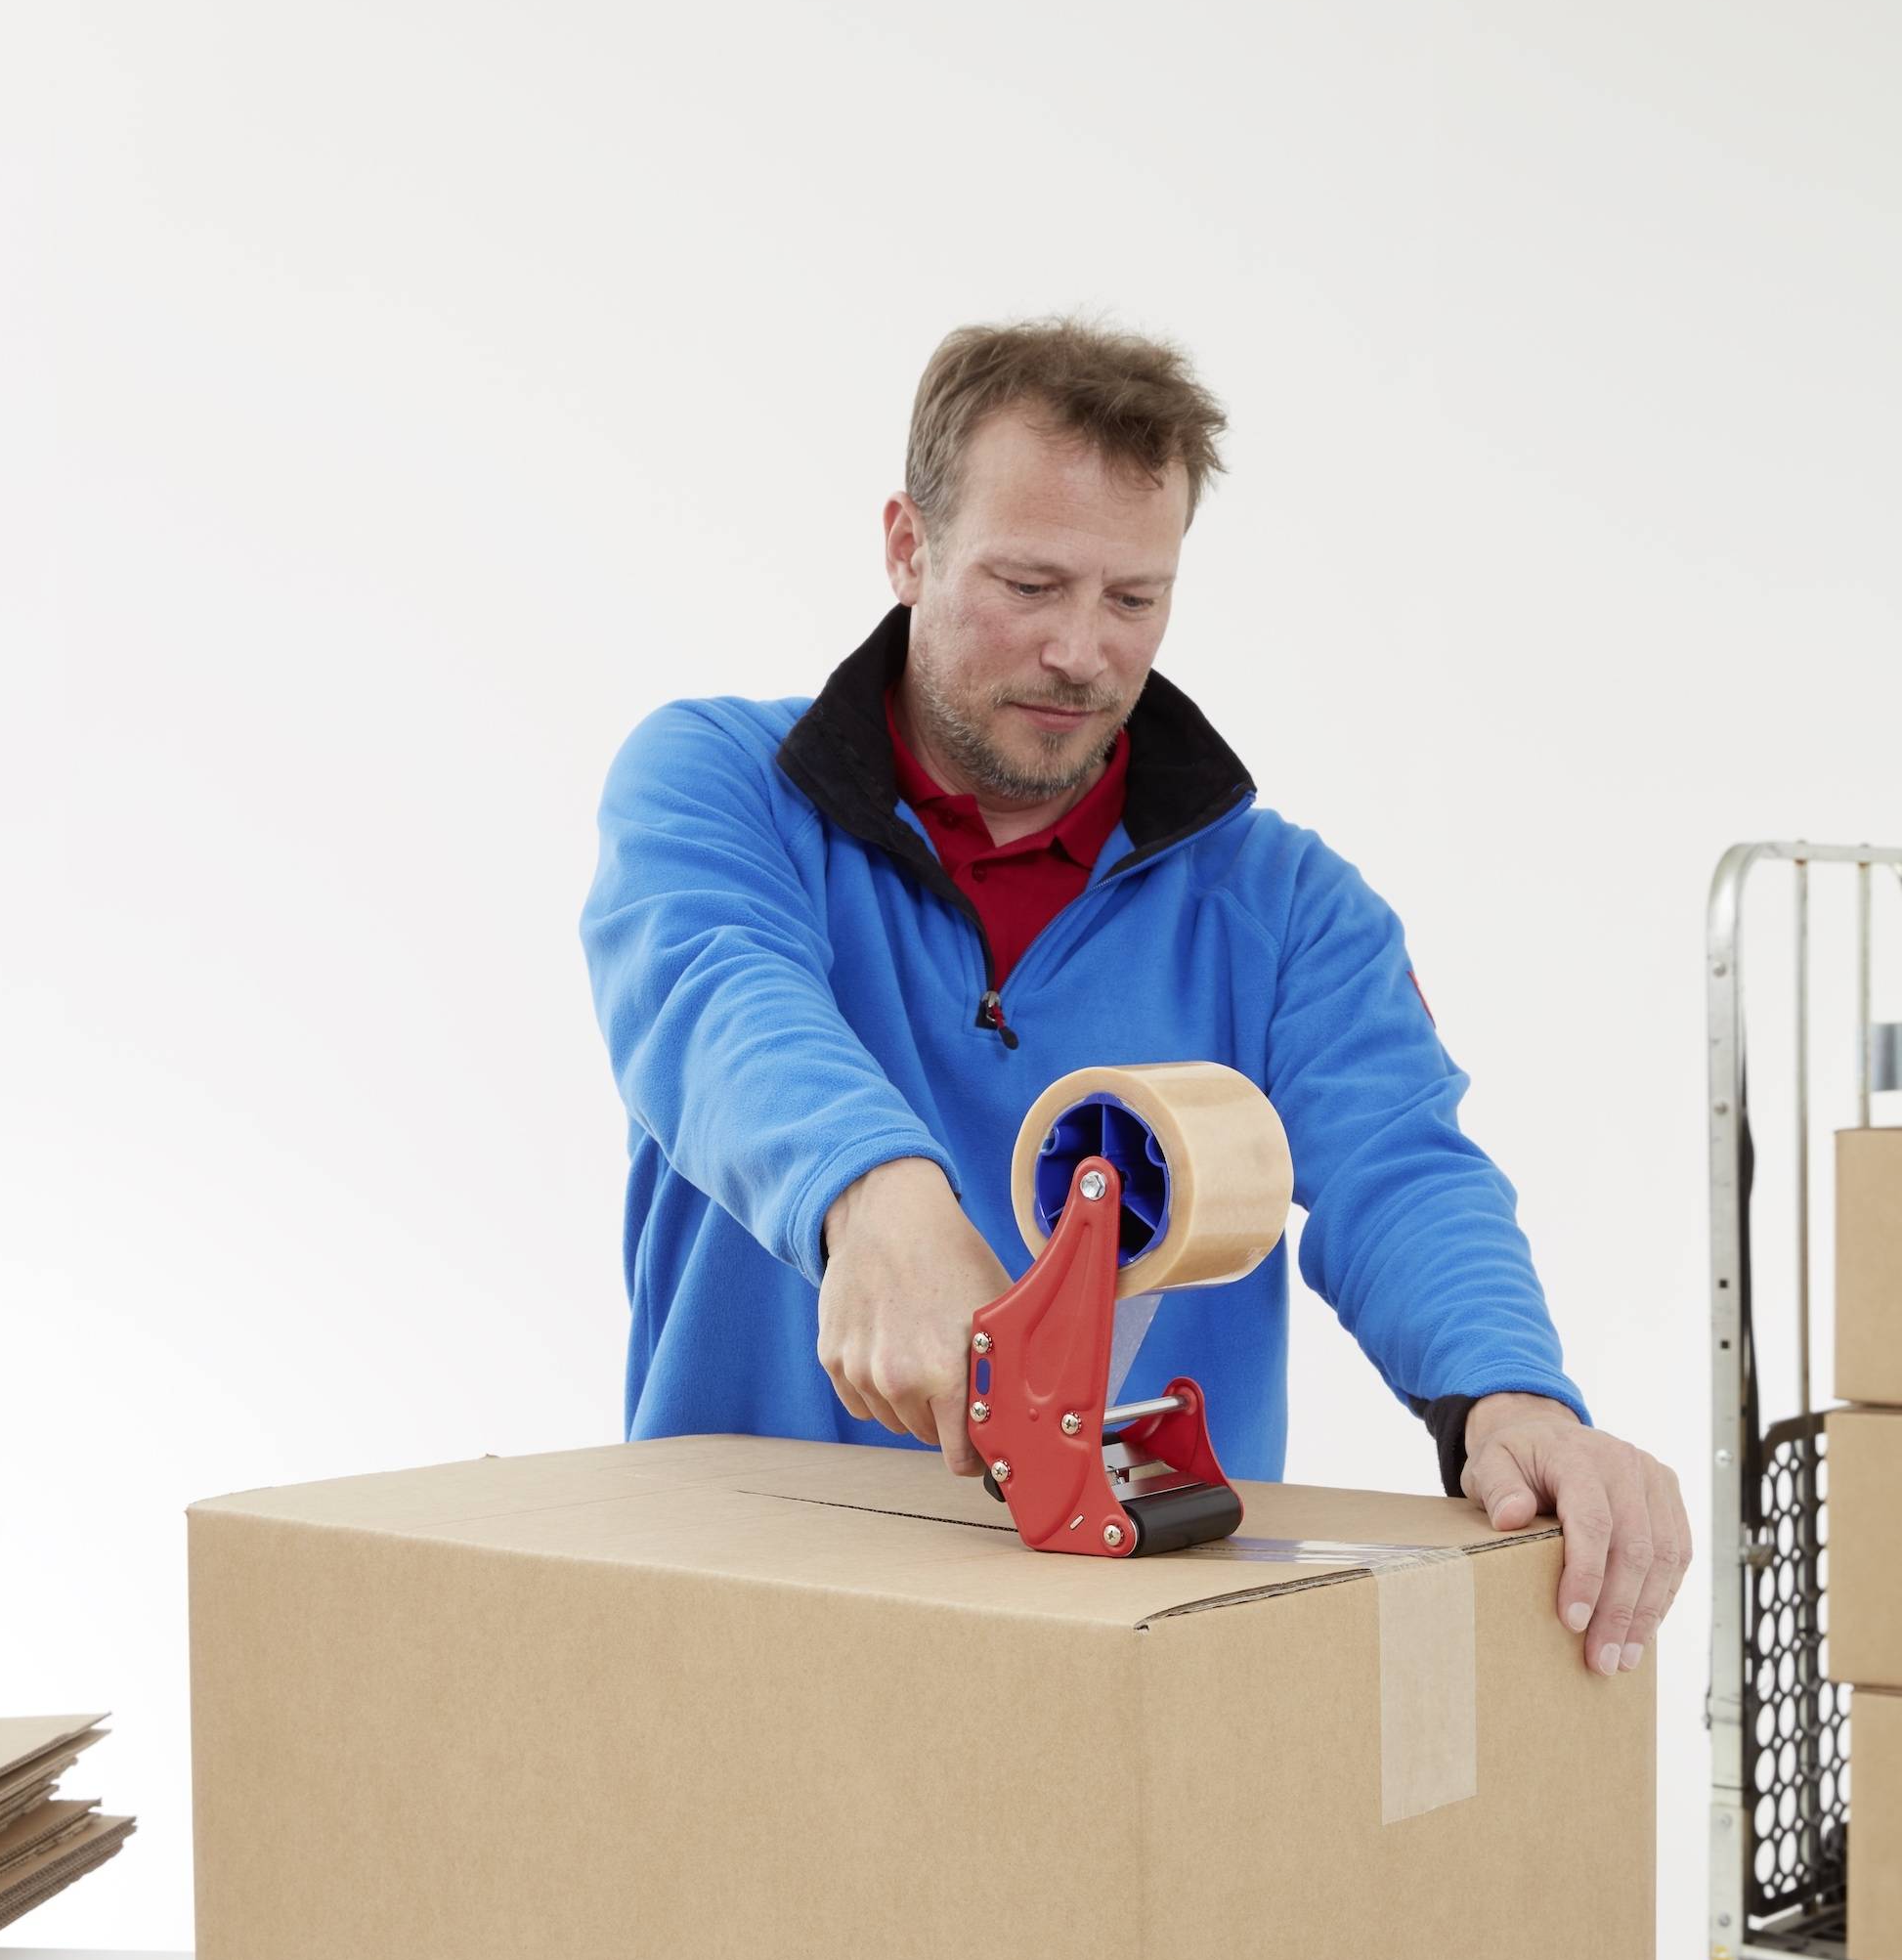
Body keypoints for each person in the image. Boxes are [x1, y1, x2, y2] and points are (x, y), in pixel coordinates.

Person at [579, 314, 1689, 1677]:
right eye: (1030, 584)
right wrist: (876, 1200)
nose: (1081, 652)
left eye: (1132, 600)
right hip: (732, 1630)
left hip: (1130, 1651)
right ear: (908, 546)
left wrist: (1511, 1398)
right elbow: (714, 994)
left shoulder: (1286, 908)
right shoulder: (717, 787)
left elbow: (1401, 1169)